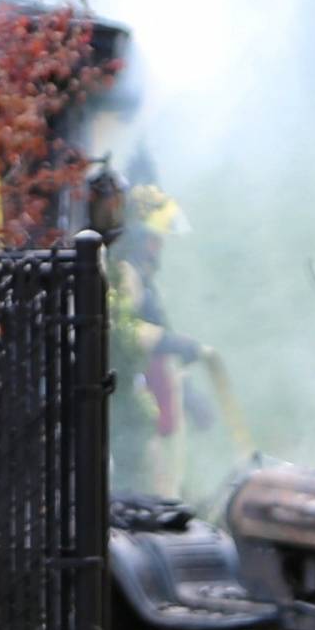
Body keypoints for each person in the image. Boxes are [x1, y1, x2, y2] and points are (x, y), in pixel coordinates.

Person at [110, 183, 208, 498]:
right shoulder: (123, 276)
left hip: (147, 403)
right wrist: (174, 343)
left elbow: (160, 337)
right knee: (141, 487)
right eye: (154, 239)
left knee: (162, 481)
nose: (159, 247)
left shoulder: (144, 282)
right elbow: (125, 332)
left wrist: (189, 395)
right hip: (126, 402)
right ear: (137, 238)